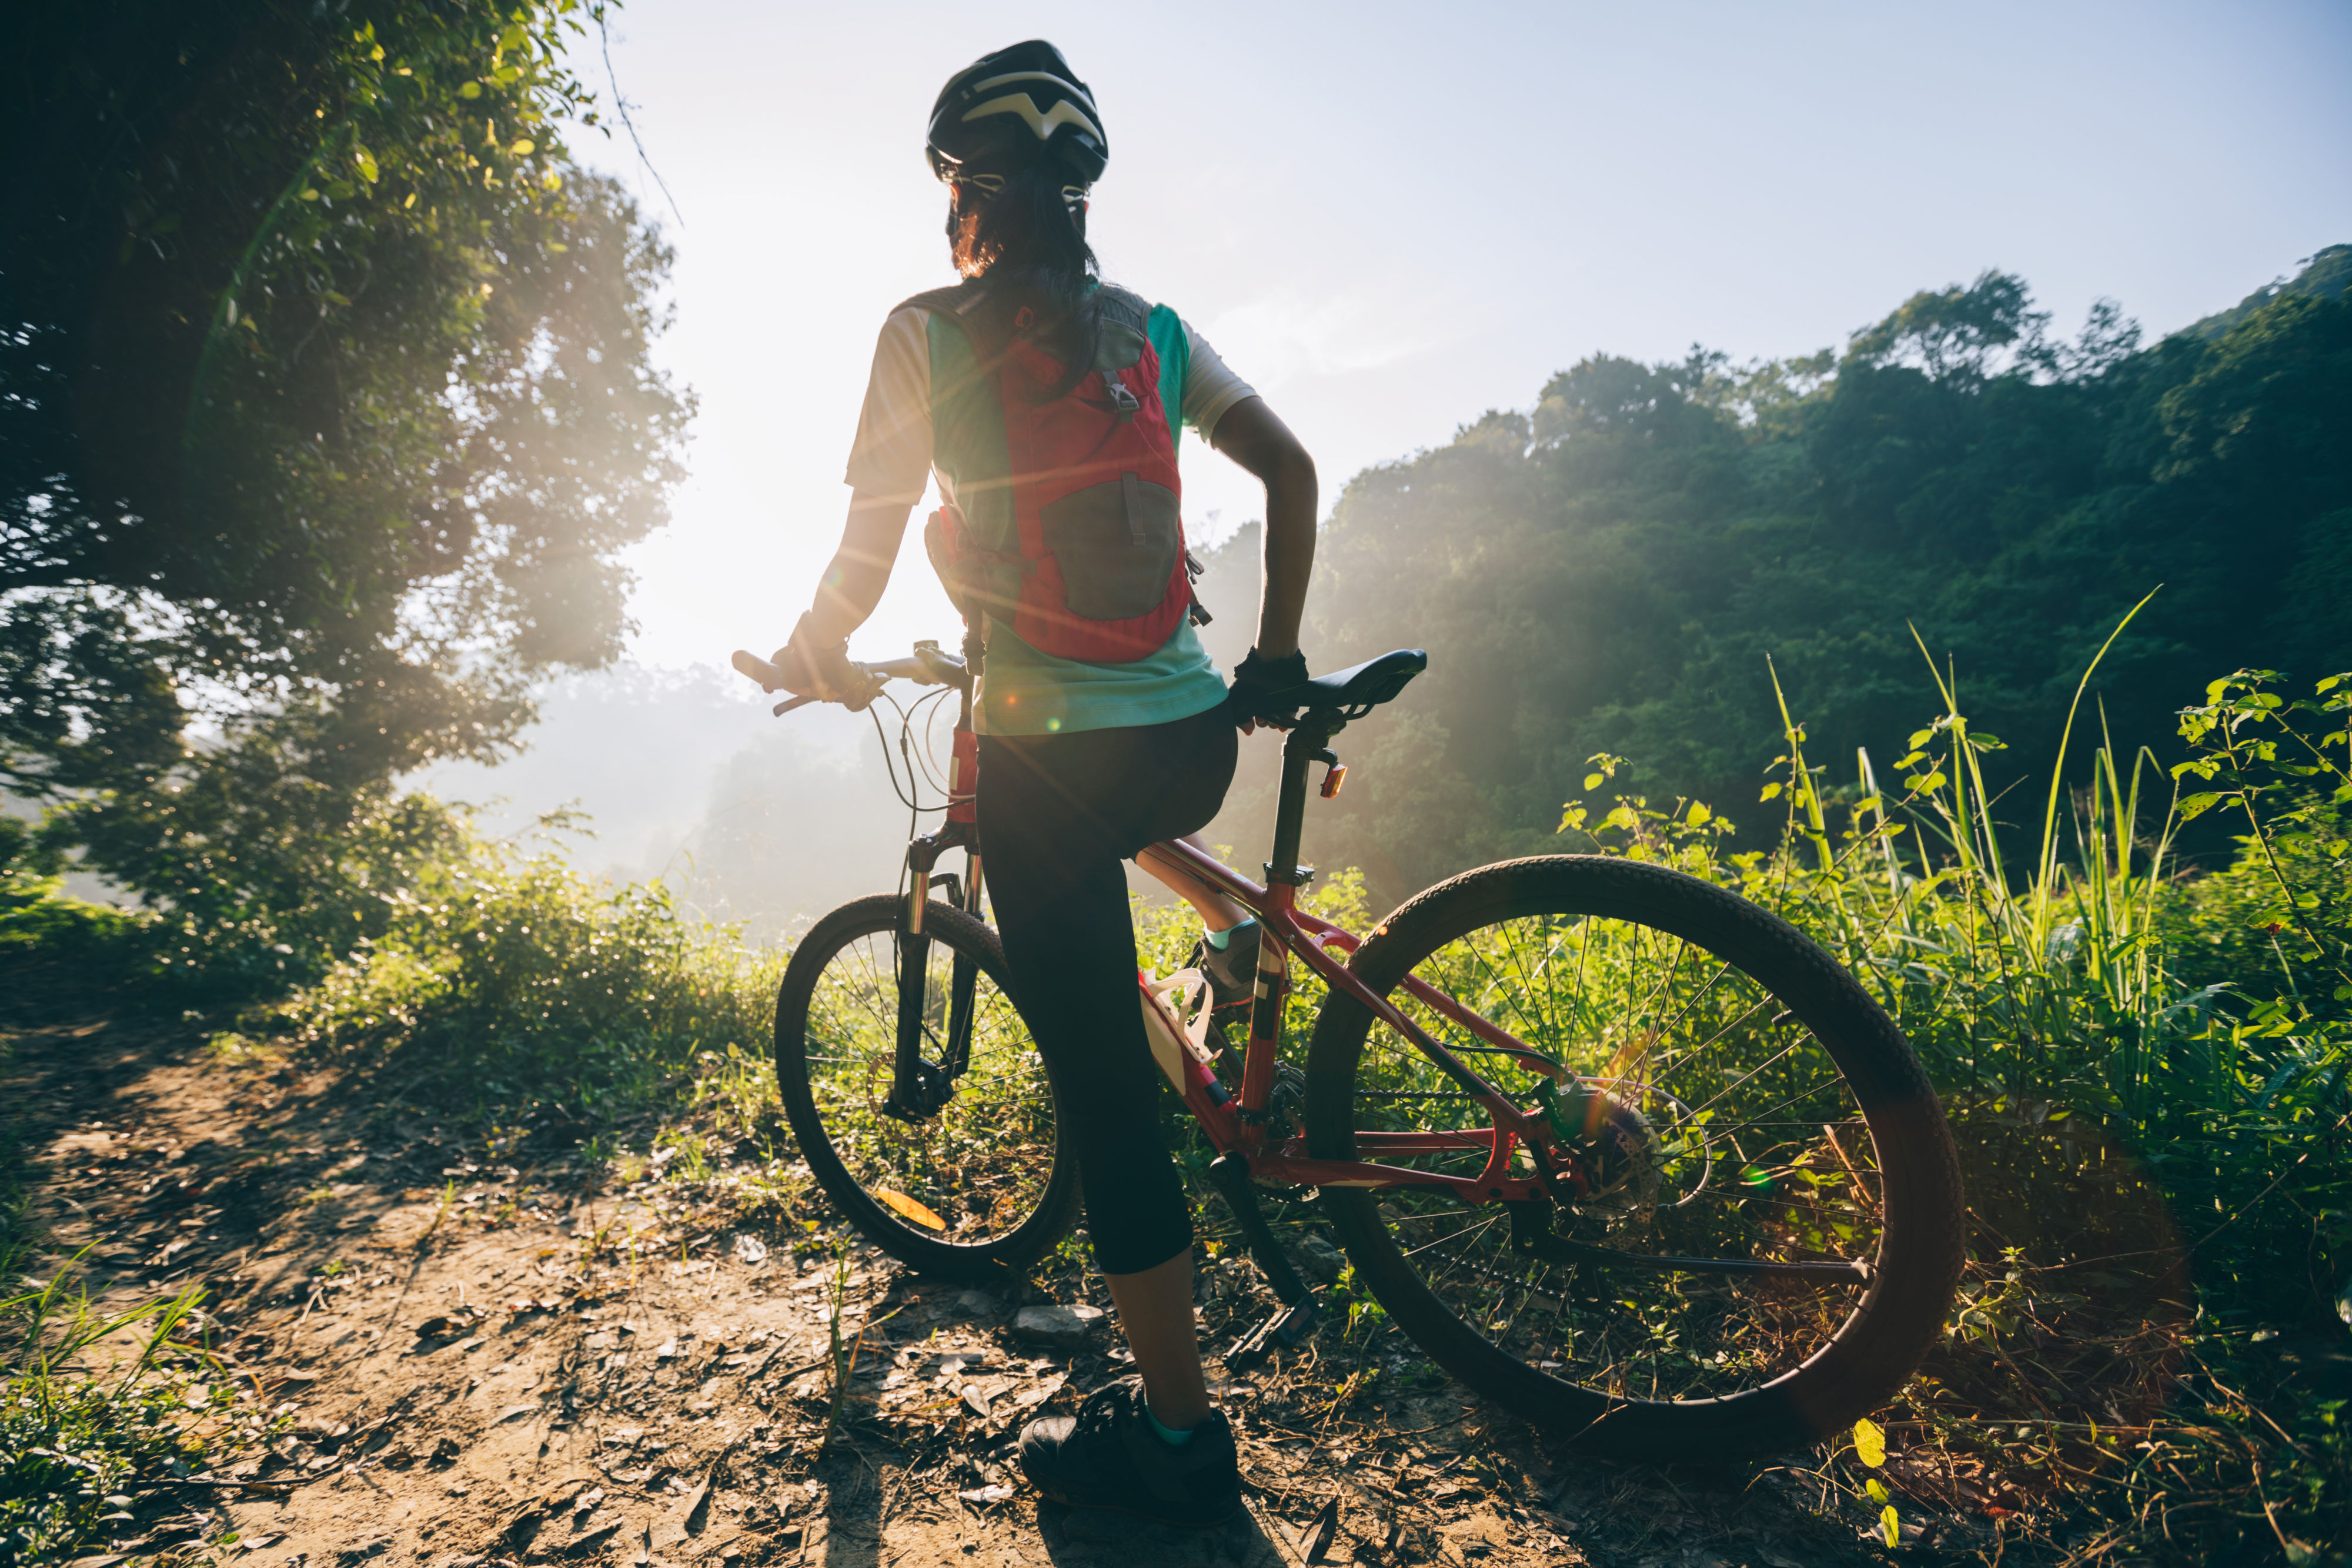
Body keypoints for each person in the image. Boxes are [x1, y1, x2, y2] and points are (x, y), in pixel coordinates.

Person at [761, 39, 1318, 1526]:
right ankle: (1216, 964)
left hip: (1038, 763)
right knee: (1133, 859)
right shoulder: (1155, 331)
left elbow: (869, 551)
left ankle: (1180, 1443)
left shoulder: (920, 334)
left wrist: (813, 652)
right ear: (1078, 190)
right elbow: (1295, 472)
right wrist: (1268, 656)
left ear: (964, 191)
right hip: (1192, 740)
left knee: (1104, 1099)